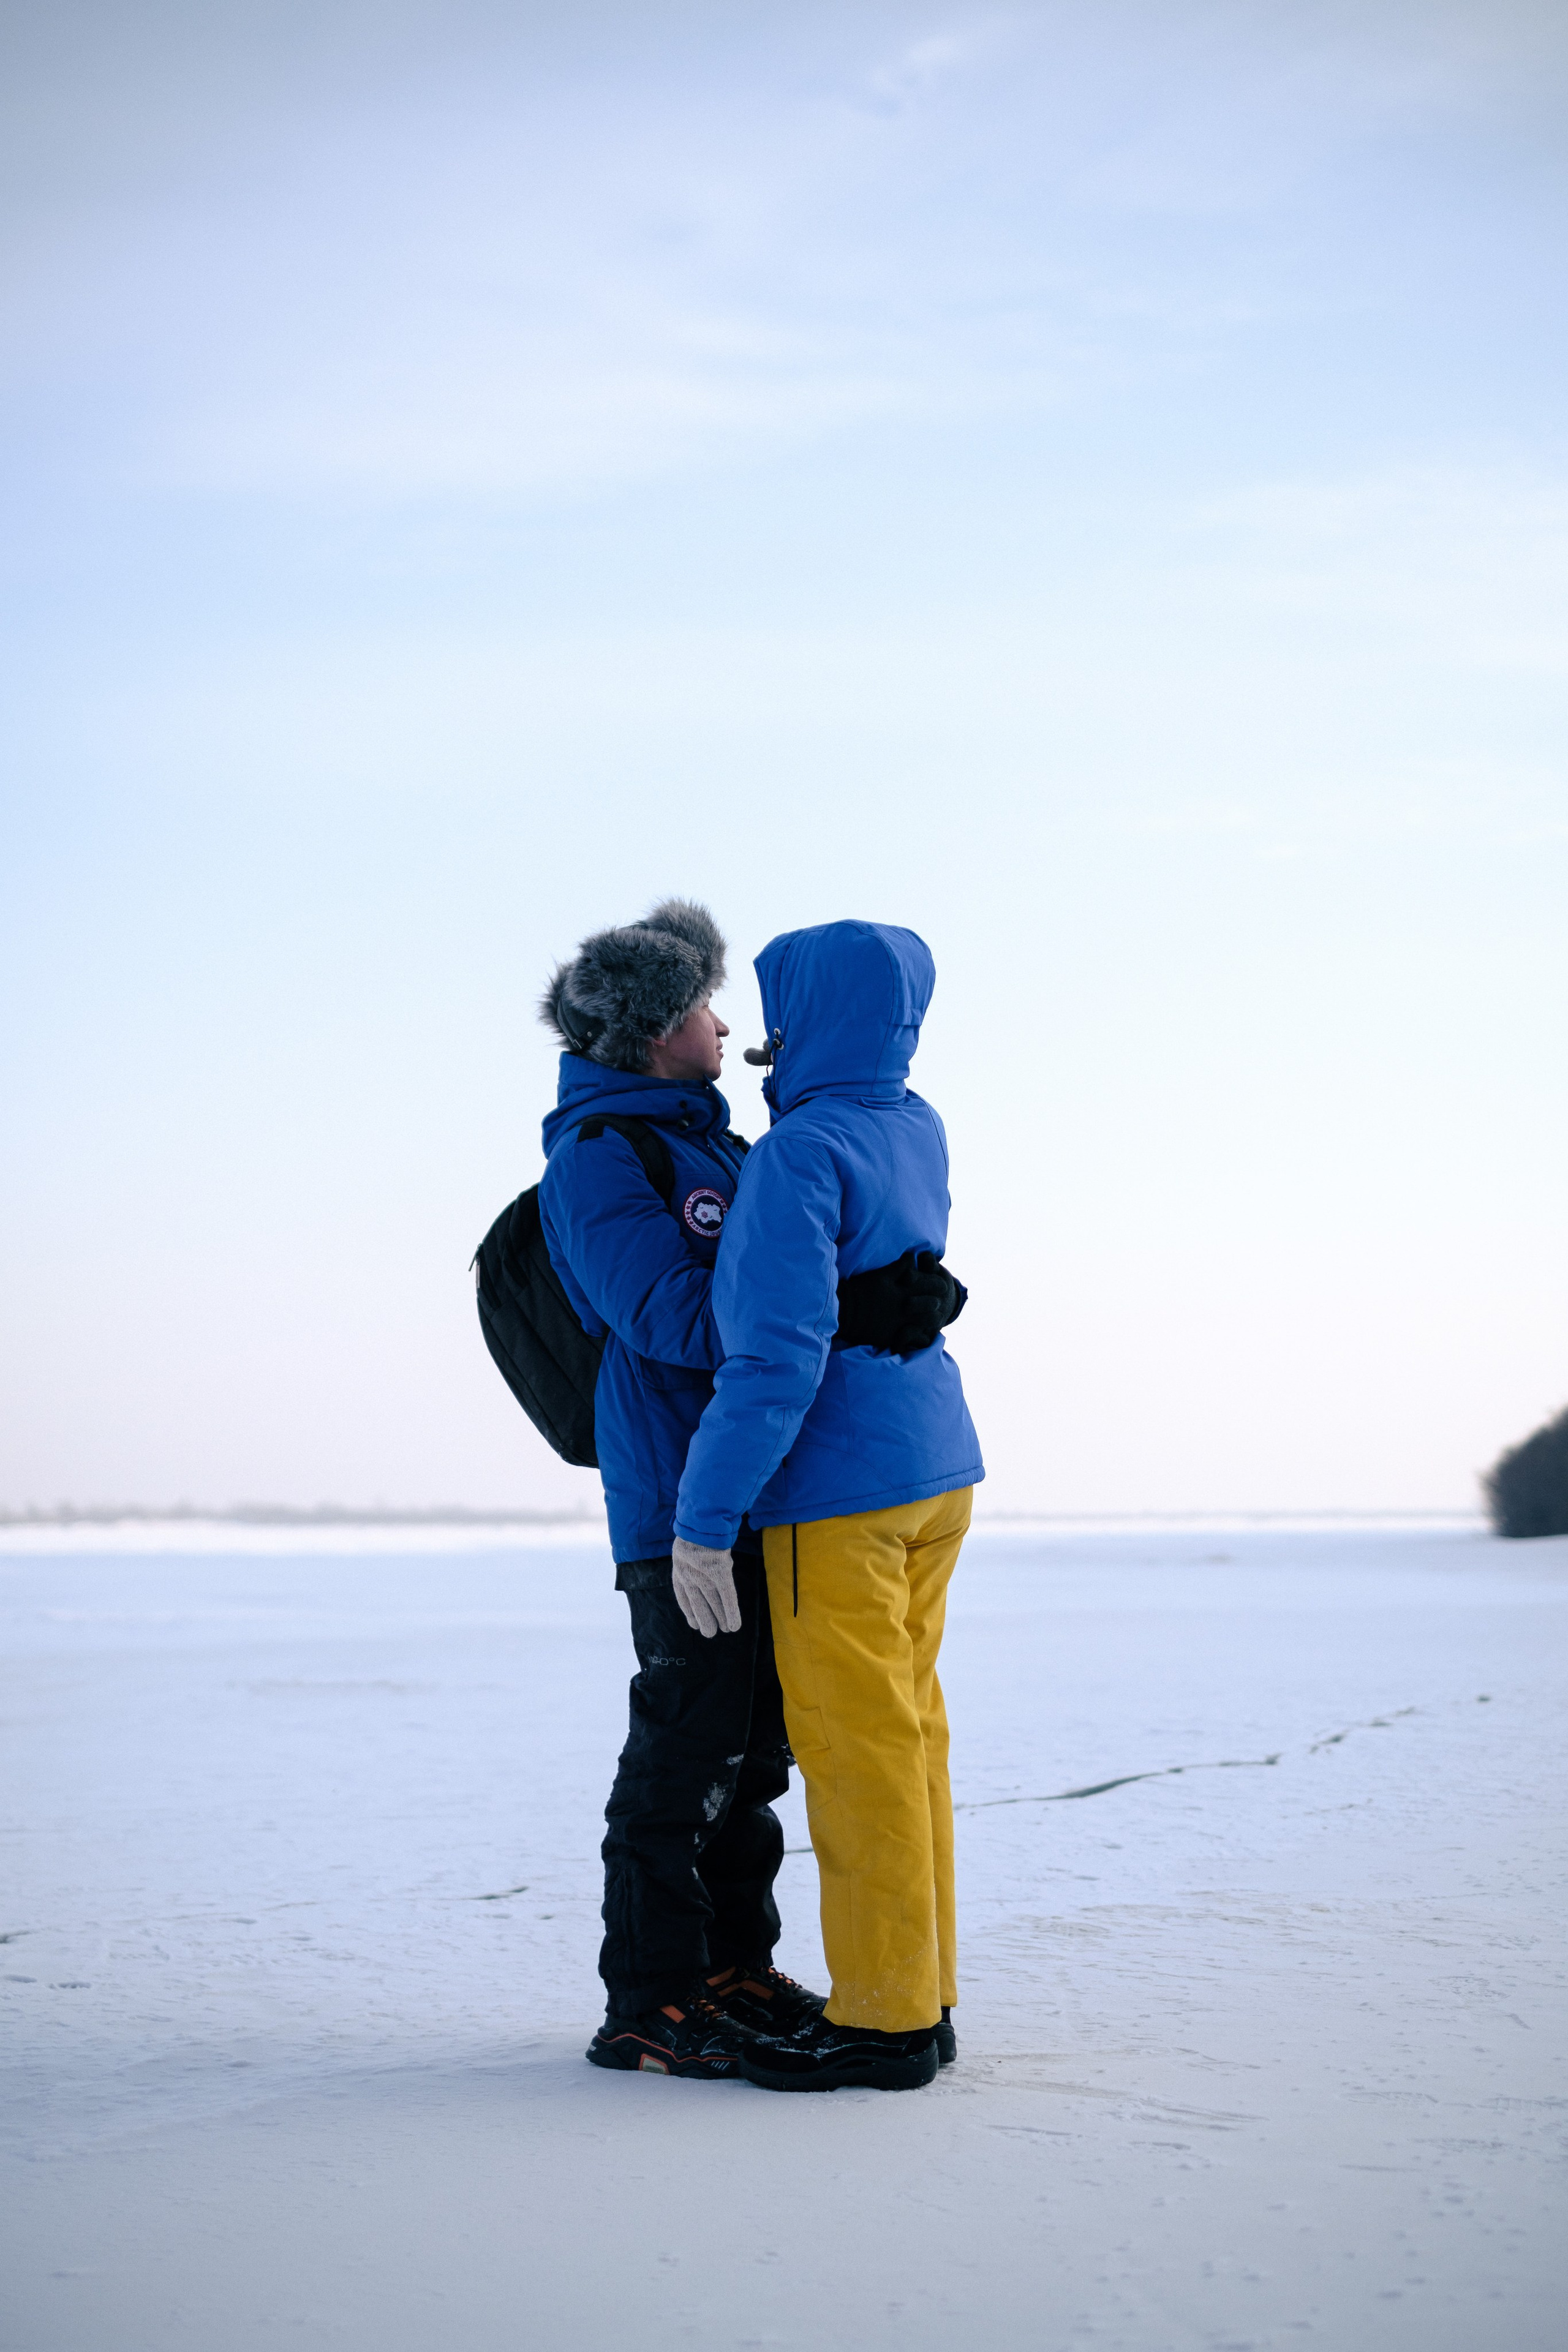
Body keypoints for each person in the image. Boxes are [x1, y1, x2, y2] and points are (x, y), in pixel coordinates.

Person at [671, 919, 982, 2092]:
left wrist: (704, 1522)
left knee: (860, 1759)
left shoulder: (800, 1155)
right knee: (913, 1740)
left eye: (776, 1013)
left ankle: (884, 2024)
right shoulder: (914, 1124)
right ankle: (926, 1995)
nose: (762, 1039)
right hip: (934, 1468)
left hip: (838, 1493)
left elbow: (772, 1360)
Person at [536, 899, 824, 2079]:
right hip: (672, 1513)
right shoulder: (602, 1159)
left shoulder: (717, 1145)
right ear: (658, 1030)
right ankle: (649, 2003)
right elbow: (662, 1314)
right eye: (706, 1005)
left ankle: (731, 1968)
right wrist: (801, 1311)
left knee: (752, 1760)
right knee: (683, 1756)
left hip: (752, 1499)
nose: (723, 1024)